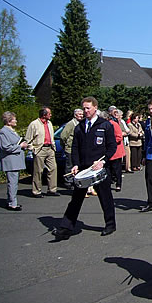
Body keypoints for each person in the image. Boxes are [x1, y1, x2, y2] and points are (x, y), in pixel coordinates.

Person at [52, 97, 117, 240]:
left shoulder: (105, 125)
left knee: (105, 198)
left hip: (99, 168)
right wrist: (75, 164)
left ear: (95, 108)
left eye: (88, 108)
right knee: (76, 199)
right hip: (83, 169)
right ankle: (66, 228)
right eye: (84, 108)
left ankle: (110, 224)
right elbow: (75, 147)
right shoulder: (79, 127)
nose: (85, 111)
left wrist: (103, 161)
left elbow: (112, 146)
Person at [25, 107, 58, 197]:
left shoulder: (49, 123)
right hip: (40, 149)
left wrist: (53, 147)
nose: (51, 115)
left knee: (53, 168)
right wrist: (32, 148)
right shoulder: (34, 124)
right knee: (38, 171)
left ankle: (52, 190)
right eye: (49, 114)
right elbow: (27, 139)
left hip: (50, 148)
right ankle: (36, 191)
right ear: (44, 115)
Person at [0, 112, 29, 211]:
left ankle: (11, 201)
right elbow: (5, 147)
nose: (16, 121)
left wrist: (24, 145)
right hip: (11, 161)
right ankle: (12, 204)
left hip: (15, 161)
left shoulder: (11, 131)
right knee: (12, 183)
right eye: (14, 119)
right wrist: (20, 146)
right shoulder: (3, 132)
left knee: (14, 182)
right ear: (8, 121)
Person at [61, 109, 84, 189]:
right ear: (75, 115)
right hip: (70, 148)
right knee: (69, 166)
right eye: (79, 114)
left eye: (82, 114)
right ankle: (68, 182)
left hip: (79, 149)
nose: (81, 116)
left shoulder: (81, 123)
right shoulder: (71, 124)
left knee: (77, 166)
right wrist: (65, 145)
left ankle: (76, 181)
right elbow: (63, 136)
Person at [104, 111, 124, 192]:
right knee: (108, 169)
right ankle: (108, 184)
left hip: (116, 151)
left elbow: (119, 137)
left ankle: (118, 184)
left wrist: (110, 142)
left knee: (117, 169)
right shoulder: (103, 125)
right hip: (107, 151)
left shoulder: (113, 124)